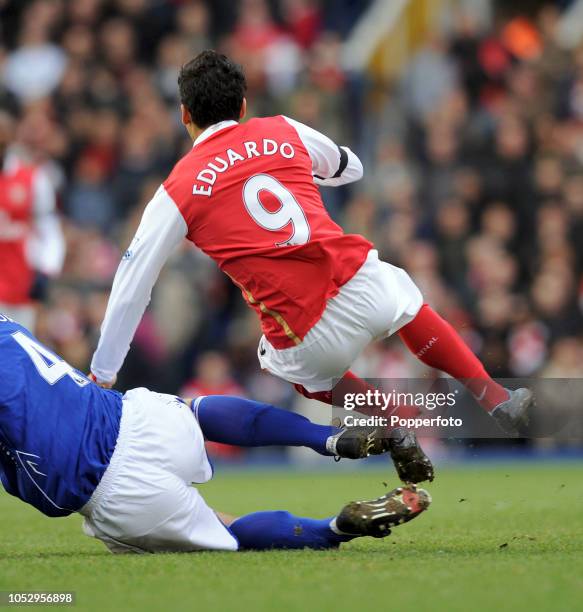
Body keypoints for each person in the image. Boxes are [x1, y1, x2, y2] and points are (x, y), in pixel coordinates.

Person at [90, 51, 532, 484]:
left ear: (184, 114)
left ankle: (394, 421)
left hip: (306, 331)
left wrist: (104, 372)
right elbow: (350, 167)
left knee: (277, 360)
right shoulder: (281, 129)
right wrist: (298, 170)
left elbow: (133, 282)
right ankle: (495, 397)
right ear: (243, 106)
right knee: (404, 297)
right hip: (358, 281)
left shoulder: (178, 189)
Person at [0, 312, 430, 553]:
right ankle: (327, 437)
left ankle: (336, 527)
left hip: (110, 488)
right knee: (196, 411)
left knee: (230, 531)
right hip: (133, 416)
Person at [0, 108, 65, 331]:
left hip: (20, 281)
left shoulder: (32, 179)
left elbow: (49, 227)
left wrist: (47, 269)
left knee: (17, 348)